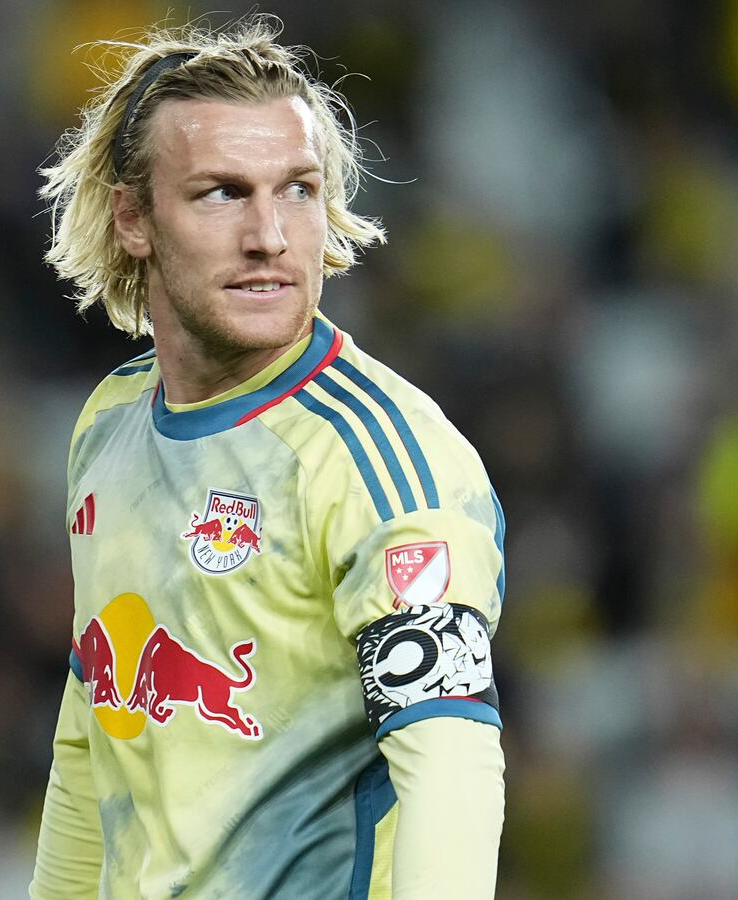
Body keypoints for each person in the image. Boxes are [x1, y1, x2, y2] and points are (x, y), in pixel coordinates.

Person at [30, 16, 506, 899]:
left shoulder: (383, 459)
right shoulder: (110, 424)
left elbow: (451, 759)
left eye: (296, 191)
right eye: (221, 193)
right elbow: (90, 731)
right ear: (133, 216)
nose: (271, 237)